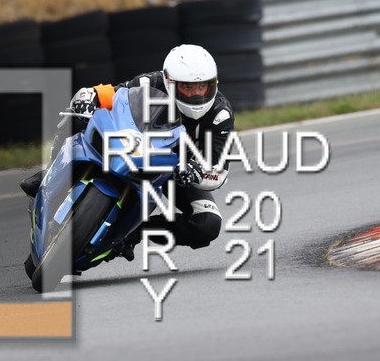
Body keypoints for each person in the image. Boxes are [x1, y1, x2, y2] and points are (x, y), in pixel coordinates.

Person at [20, 44, 234, 258]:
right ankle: (48, 174)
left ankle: (134, 233)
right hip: (133, 146)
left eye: (203, 87)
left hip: (177, 171)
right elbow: (113, 94)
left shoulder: (220, 115)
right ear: (170, 81)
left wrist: (196, 173)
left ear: (214, 84)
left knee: (208, 223)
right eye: (188, 87)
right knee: (78, 116)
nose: (196, 94)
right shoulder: (151, 82)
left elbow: (219, 171)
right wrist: (89, 97)